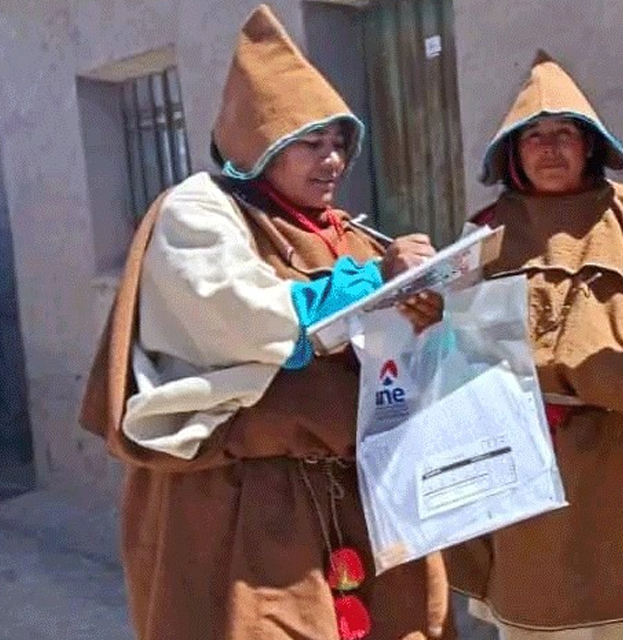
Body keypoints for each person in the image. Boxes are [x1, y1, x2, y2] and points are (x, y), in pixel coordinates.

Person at [79, 6, 451, 639]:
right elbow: (249, 317)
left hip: (360, 503)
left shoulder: (353, 234)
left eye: (339, 145)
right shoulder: (198, 212)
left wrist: (425, 305)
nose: (331, 161)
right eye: (311, 143)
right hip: (241, 509)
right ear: (261, 141)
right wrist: (375, 284)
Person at [443, 51, 623, 640]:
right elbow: (448, 343)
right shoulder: (486, 233)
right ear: (514, 152)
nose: (549, 148)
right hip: (530, 471)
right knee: (541, 618)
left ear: (589, 145)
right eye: (534, 136)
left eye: (563, 134)